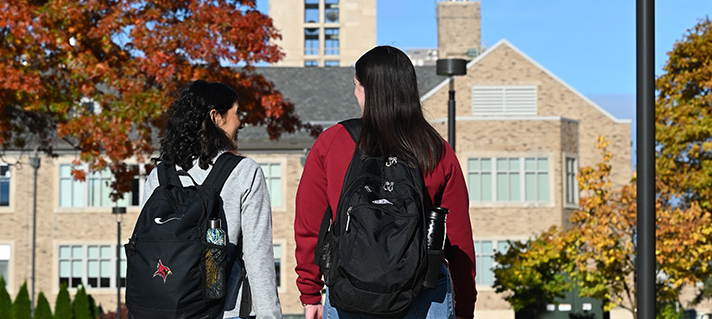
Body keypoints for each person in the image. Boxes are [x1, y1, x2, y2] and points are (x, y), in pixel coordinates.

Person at [294, 46, 477, 319]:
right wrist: (465, 306)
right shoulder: (435, 149)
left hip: (350, 291)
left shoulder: (333, 142)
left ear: (368, 90)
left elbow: (311, 225)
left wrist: (310, 293)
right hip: (423, 295)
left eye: (356, 86)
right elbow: (458, 240)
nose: (355, 93)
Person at [142, 80, 282, 319]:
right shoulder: (244, 172)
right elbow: (257, 255)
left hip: (162, 310)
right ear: (216, 117)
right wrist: (270, 315)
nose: (240, 122)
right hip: (223, 311)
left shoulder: (160, 175)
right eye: (236, 113)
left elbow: (146, 248)